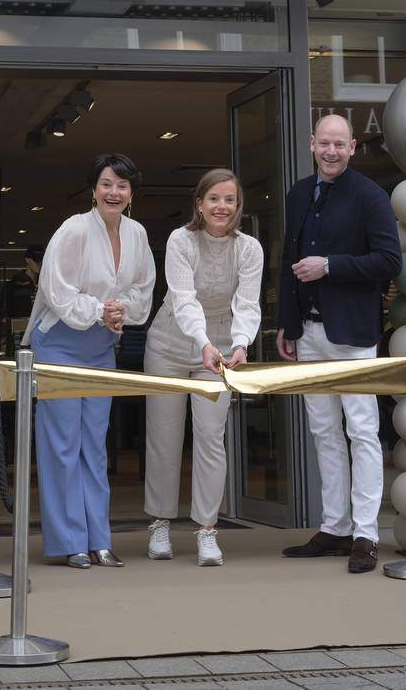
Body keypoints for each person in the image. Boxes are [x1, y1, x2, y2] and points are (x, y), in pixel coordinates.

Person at [276, 113, 402, 574]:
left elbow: (389, 261)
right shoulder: (297, 193)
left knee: (362, 432)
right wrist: (287, 324)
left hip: (351, 335)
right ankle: (335, 527)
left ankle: (366, 534)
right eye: (324, 143)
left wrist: (330, 265)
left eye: (339, 144)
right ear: (312, 143)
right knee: (324, 433)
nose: (331, 151)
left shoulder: (370, 195)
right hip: (307, 333)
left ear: (352, 148)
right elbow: (288, 261)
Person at [24, 153, 155, 568]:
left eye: (122, 185)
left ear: (132, 193)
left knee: (94, 445)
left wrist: (119, 310)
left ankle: (99, 538)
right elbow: (57, 290)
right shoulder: (74, 229)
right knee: (63, 444)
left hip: (100, 346)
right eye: (106, 184)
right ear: (93, 190)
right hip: (59, 343)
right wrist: (102, 310)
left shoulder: (136, 233)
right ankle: (70, 542)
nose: (114, 192)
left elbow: (143, 289)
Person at [144, 169, 263, 567]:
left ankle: (207, 529)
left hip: (221, 347)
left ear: (238, 206)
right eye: (214, 198)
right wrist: (203, 342)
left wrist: (241, 343)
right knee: (164, 435)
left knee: (211, 436)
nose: (221, 207)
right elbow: (183, 299)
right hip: (169, 344)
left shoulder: (249, 248)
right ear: (199, 203)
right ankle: (160, 522)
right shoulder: (181, 240)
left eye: (229, 199)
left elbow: (248, 304)